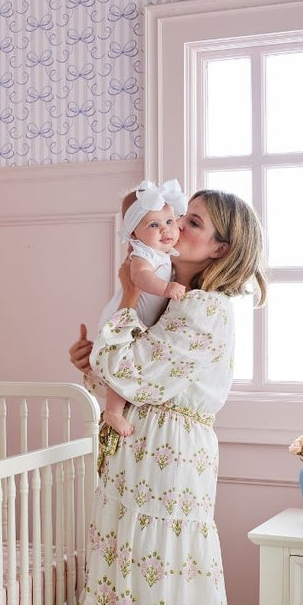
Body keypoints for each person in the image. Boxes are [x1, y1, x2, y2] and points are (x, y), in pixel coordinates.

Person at [49, 188, 267, 605]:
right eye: (174, 219)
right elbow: (124, 372)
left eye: (191, 223)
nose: (175, 229)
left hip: (168, 459)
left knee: (157, 588)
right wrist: (91, 362)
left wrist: (123, 301)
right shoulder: (178, 304)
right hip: (143, 449)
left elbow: (140, 373)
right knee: (129, 585)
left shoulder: (207, 310)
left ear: (219, 247)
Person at [98, 179, 187, 437]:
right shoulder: (142, 255)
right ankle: (113, 411)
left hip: (142, 321)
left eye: (169, 222)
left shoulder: (164, 252)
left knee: (130, 362)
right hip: (126, 319)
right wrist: (165, 288)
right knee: (122, 360)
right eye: (154, 225)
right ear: (134, 233)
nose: (165, 230)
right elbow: (140, 278)